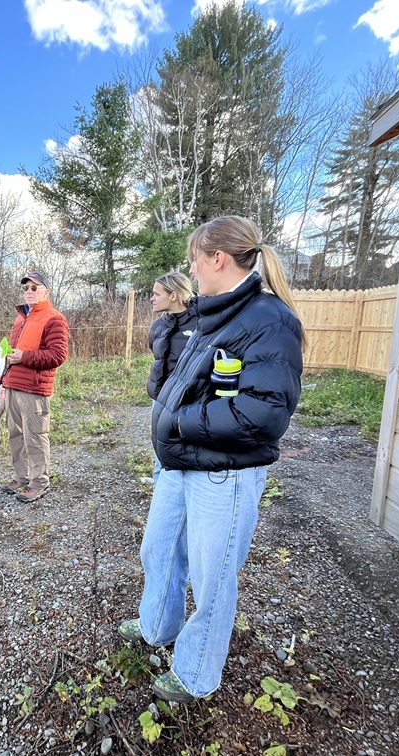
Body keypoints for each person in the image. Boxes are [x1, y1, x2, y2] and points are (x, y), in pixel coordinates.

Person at [120, 216, 306, 703]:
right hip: (181, 463)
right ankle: (157, 626)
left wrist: (181, 421)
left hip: (225, 473)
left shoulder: (269, 319)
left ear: (217, 259)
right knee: (158, 549)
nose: (192, 270)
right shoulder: (215, 314)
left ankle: (196, 673)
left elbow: (265, 412)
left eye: (194, 260)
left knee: (213, 577)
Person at [0, 272, 69, 503]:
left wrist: (24, 356)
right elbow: (13, 353)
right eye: (25, 288)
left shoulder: (54, 319)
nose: (28, 292)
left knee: (35, 436)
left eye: (34, 287)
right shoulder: (20, 319)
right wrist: (3, 377)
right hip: (13, 384)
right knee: (16, 435)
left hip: (34, 389)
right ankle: (23, 477)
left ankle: (39, 482)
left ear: (46, 292)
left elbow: (58, 355)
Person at [147, 271, 197, 482]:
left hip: (188, 402)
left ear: (174, 295)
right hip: (161, 399)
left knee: (186, 453)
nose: (152, 298)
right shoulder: (158, 326)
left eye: (157, 294)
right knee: (161, 453)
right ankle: (161, 490)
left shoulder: (201, 323)